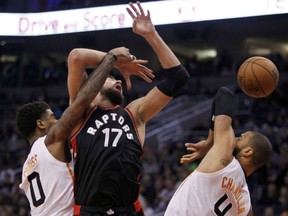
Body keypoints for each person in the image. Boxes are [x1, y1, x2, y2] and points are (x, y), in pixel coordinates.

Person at [67, 1, 190, 215]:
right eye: (110, 79)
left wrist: (151, 34)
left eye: (118, 80)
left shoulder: (134, 113)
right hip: (89, 211)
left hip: (128, 211)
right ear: (94, 87)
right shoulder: (80, 113)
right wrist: (114, 62)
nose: (118, 82)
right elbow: (76, 56)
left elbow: (178, 78)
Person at [16, 47, 136, 216]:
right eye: (52, 117)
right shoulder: (52, 141)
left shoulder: (27, 166)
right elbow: (85, 97)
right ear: (41, 124)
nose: (57, 120)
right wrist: (112, 58)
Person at [165, 86, 273, 216]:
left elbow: (224, 93)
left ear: (247, 152)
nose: (235, 139)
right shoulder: (246, 205)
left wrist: (210, 140)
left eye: (240, 138)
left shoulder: (225, 160)